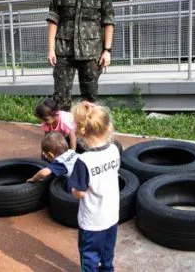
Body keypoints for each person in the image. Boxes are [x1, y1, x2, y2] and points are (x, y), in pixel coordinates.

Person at [46, 0, 115, 112]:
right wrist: (51, 49)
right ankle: (62, 135)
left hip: (91, 51)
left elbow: (108, 20)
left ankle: (87, 135)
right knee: (61, 97)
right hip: (64, 50)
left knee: (90, 98)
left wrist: (107, 50)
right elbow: (53, 19)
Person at [66, 101, 121, 272]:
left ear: (81, 131)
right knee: (107, 255)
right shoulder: (114, 150)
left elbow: (80, 193)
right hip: (112, 217)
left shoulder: (83, 161)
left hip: (92, 222)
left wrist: (72, 187)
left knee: (89, 256)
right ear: (107, 127)